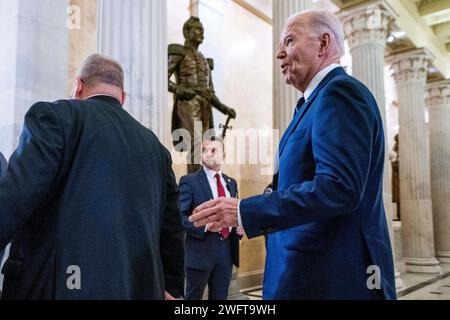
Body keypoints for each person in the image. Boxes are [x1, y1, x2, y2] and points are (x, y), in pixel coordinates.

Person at [189, 10, 396, 300]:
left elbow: (339, 188)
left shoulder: (340, 94)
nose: (278, 53)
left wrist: (244, 211)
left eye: (289, 40)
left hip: (332, 278)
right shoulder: (313, 102)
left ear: (323, 44)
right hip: (305, 274)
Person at [0, 54, 185, 300]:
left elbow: (13, 200)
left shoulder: (55, 117)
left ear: (78, 85)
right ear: (123, 97)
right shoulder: (155, 148)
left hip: (58, 287)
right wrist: (171, 286)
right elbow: (171, 227)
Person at [168, 17, 236, 173]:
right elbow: (162, 78)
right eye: (198, 30)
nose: (202, 33)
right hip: (189, 102)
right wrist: (181, 91)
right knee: (196, 143)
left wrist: (224, 108)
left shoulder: (205, 61)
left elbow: (210, 92)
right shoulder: (178, 52)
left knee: (208, 144)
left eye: (203, 31)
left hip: (205, 105)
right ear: (187, 32)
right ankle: (194, 183)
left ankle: (207, 183)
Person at [179, 137, 243, 300]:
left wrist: (240, 227)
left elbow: (234, 214)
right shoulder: (189, 181)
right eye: (204, 150)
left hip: (227, 253)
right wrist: (206, 227)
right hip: (200, 253)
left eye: (213, 150)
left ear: (224, 155)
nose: (208, 153)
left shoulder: (231, 183)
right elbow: (181, 217)